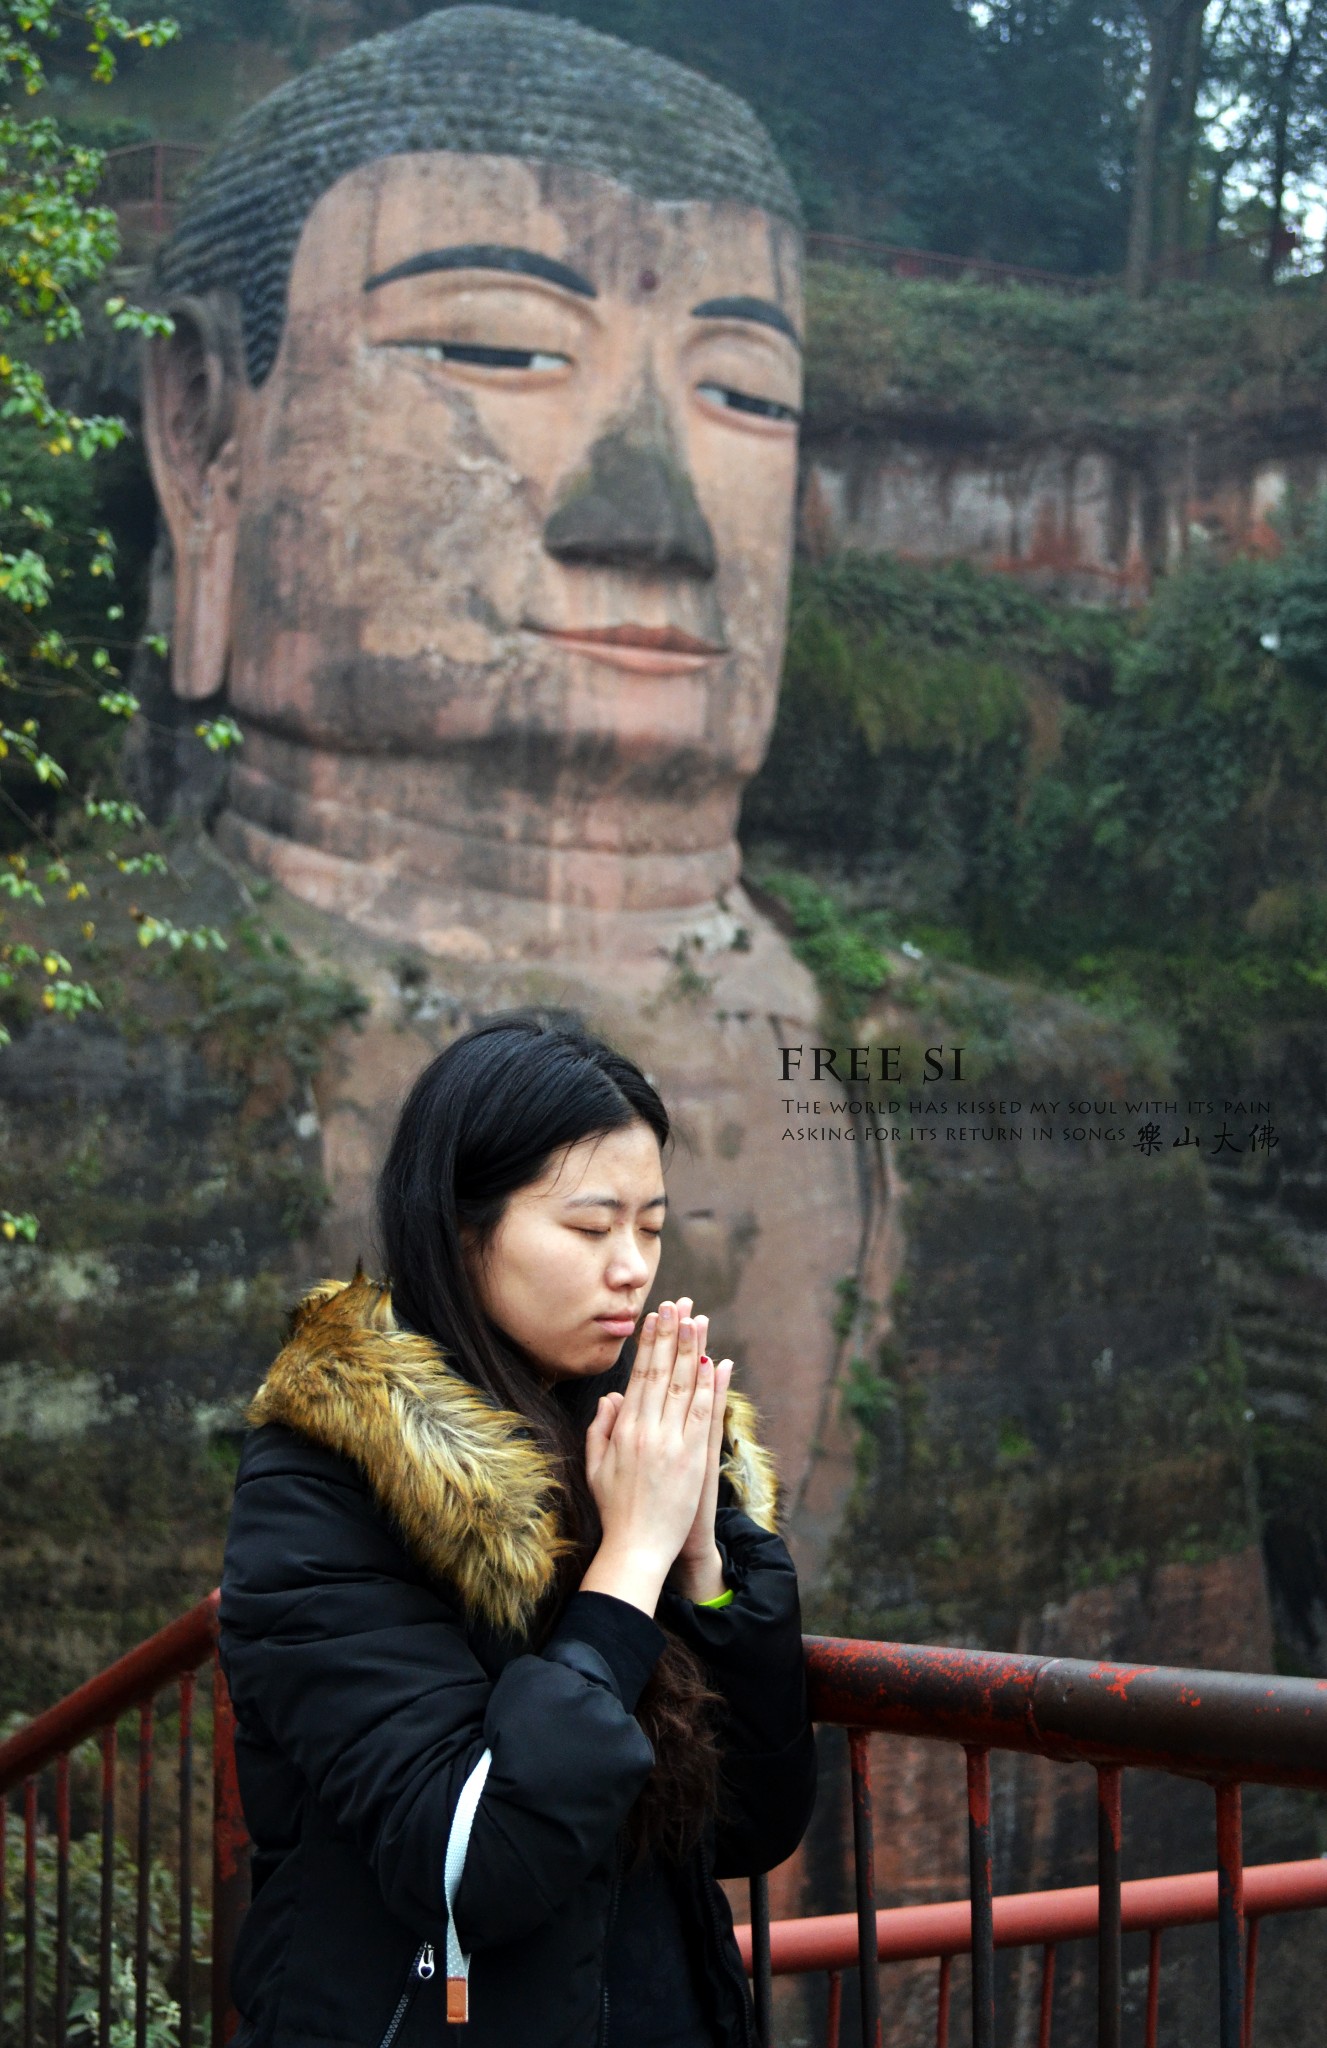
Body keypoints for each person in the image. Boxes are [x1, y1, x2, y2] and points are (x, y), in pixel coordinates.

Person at [218, 1010, 817, 2048]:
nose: (630, 1265)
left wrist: (701, 1563)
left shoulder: (638, 1440)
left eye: (651, 1225)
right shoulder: (328, 1479)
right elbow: (472, 1862)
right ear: (462, 1229)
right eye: (589, 1228)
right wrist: (626, 1560)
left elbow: (747, 1825)